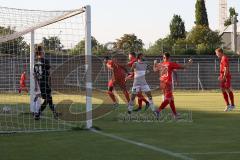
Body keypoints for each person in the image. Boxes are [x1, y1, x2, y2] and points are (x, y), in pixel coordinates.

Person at [153, 53, 192, 118]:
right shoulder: (170, 64)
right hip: (167, 83)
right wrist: (190, 63)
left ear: (164, 58)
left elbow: (154, 70)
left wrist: (154, 63)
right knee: (169, 99)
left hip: (162, 83)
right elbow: (184, 66)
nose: (163, 59)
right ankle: (158, 111)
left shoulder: (161, 64)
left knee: (171, 99)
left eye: (163, 57)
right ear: (169, 57)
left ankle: (175, 114)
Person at [33, 45, 58, 119]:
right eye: (43, 50)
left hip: (41, 83)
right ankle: (38, 114)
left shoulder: (35, 63)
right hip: (46, 82)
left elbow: (35, 76)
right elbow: (49, 73)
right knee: (47, 99)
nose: (44, 51)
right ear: (40, 52)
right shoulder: (45, 61)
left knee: (49, 98)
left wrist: (36, 86)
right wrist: (50, 83)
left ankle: (55, 113)